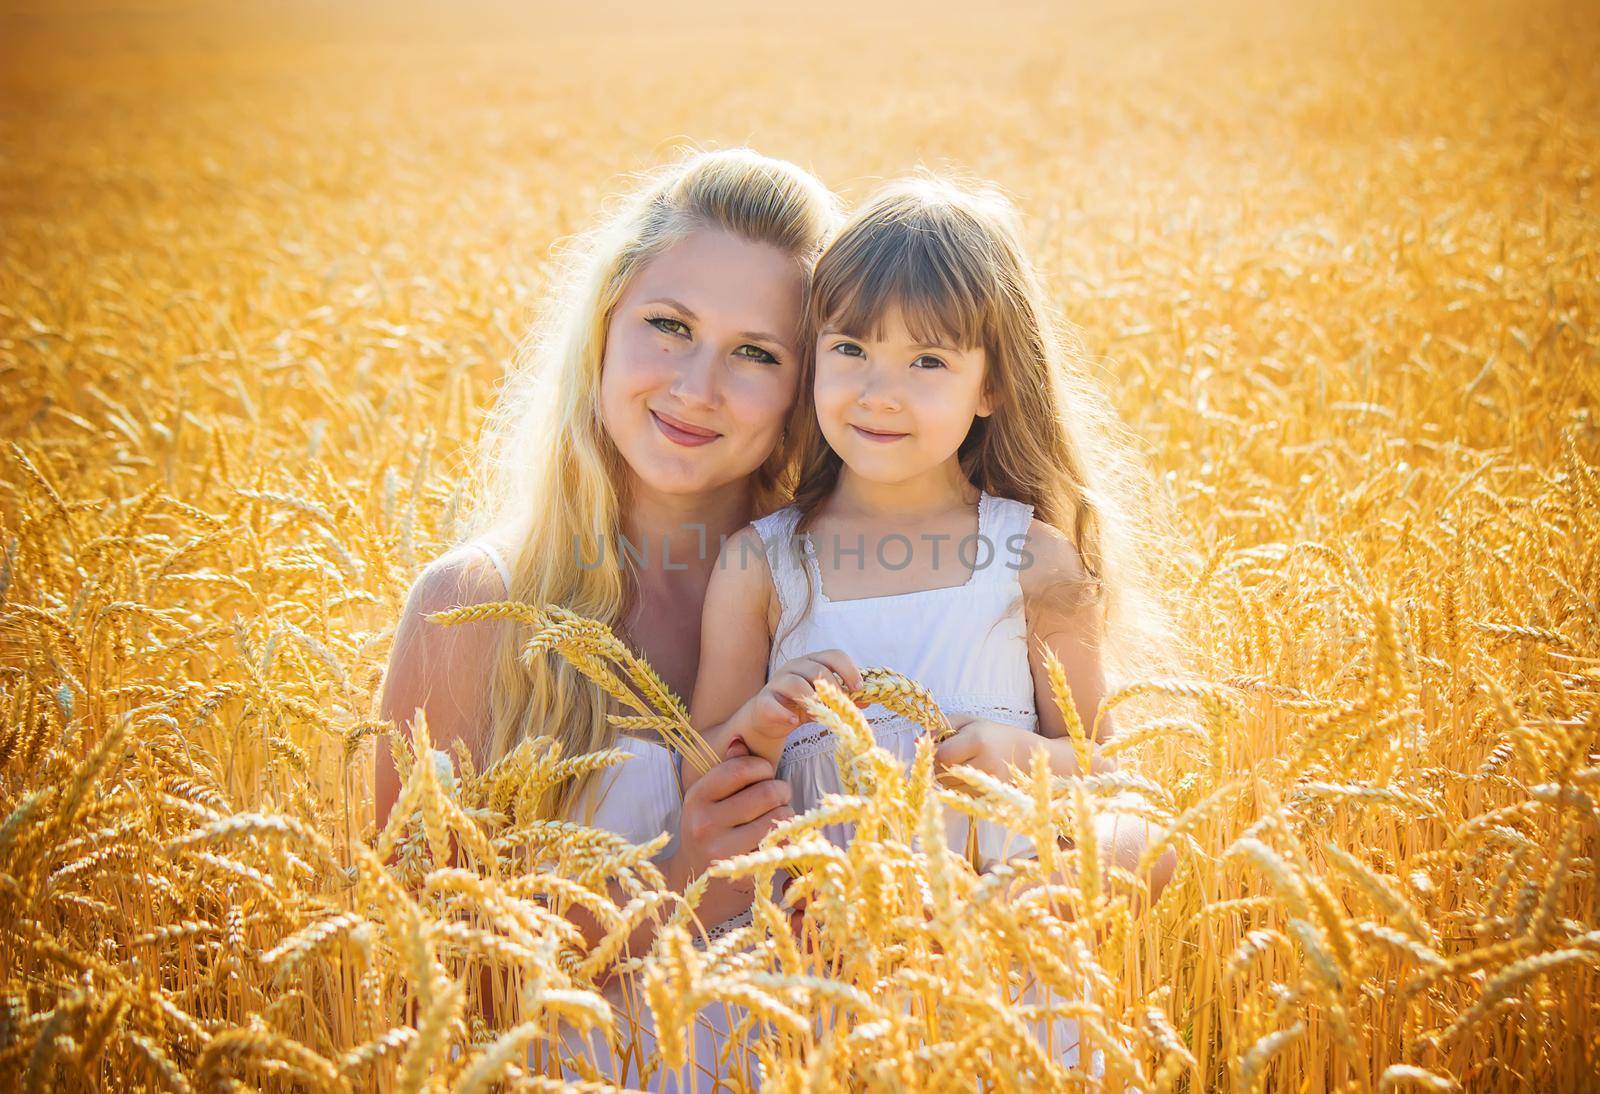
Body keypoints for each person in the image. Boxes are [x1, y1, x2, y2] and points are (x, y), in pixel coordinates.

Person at [686, 171, 1187, 1076]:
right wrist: (760, 722)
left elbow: (1114, 779)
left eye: (928, 363)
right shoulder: (761, 565)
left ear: (991, 386)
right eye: (851, 350)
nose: (880, 393)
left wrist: (1019, 755)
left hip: (1001, 992)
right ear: (812, 361)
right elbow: (702, 768)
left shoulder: (1031, 562)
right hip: (811, 994)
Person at [375, 145, 842, 1091]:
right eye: (670, 326)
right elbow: (402, 982)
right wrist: (678, 879)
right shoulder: (474, 609)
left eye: (756, 353)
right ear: (605, 326)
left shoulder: (838, 603)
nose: (696, 387)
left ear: (808, 390)